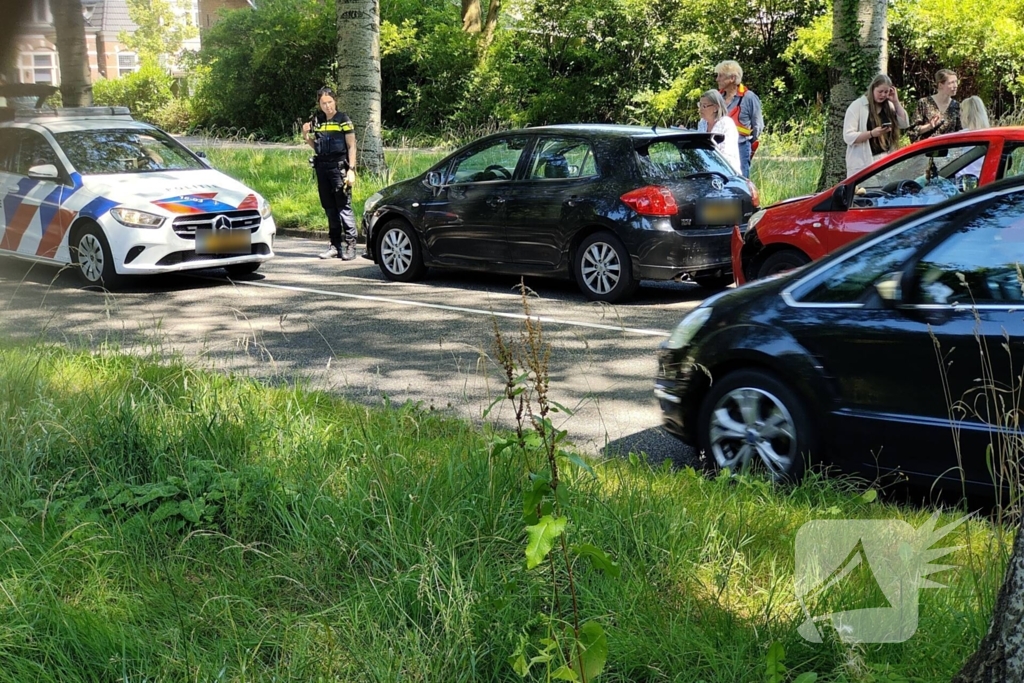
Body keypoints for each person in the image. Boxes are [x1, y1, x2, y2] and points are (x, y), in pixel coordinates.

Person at [302, 87, 358, 261]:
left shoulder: (343, 120)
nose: (327, 106)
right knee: (329, 208)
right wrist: (306, 135)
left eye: (330, 102)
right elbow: (317, 146)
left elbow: (352, 146)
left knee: (343, 206)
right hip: (322, 168)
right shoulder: (317, 121)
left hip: (339, 168)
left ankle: (351, 246)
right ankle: (335, 246)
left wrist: (351, 170)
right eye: (323, 103)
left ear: (335, 101)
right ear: (319, 104)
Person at [843, 74, 910, 178]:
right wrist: (871, 134)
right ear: (873, 89)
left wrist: (896, 101)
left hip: (886, 159)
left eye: (886, 92)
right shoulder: (858, 106)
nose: (883, 95)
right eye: (880, 91)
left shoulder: (889, 106)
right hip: (864, 163)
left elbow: (904, 123)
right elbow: (848, 136)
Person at [714, 60, 763, 178]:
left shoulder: (749, 97)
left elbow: (758, 125)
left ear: (732, 78)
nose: (717, 79)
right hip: (718, 147)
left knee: (740, 180)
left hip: (740, 147)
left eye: (720, 76)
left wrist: (747, 143)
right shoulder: (717, 98)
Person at [907, 69, 961, 142]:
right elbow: (912, 132)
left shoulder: (956, 106)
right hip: (928, 147)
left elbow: (960, 132)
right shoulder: (924, 103)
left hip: (949, 147)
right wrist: (929, 126)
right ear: (940, 85)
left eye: (956, 82)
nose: (955, 86)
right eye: (951, 82)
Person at [696, 89, 742, 174]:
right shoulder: (702, 123)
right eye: (700, 105)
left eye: (704, 106)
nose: (700, 109)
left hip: (727, 171)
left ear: (716, 108)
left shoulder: (726, 123)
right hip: (706, 169)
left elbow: (728, 154)